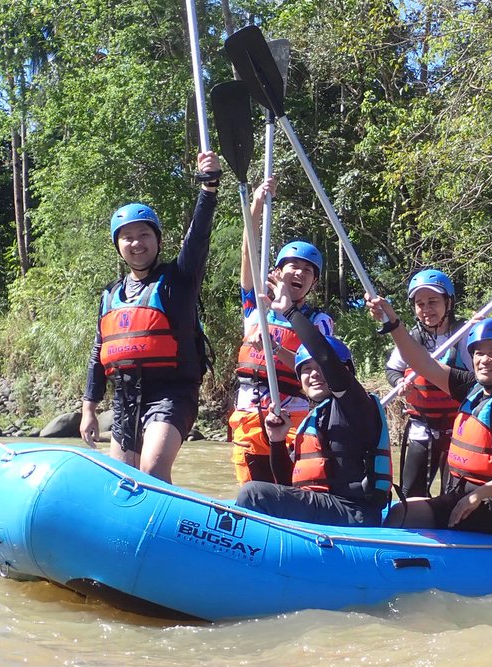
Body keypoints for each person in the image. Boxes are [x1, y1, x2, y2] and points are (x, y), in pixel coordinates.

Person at [79, 151, 222, 482]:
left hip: (171, 392)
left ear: (157, 240)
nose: (136, 242)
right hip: (125, 399)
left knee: (153, 470)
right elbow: (97, 356)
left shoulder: (178, 280)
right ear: (118, 247)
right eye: (127, 237)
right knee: (122, 482)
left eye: (144, 234)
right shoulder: (109, 296)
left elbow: (198, 239)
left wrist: (209, 189)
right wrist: (88, 409)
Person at [368, 294, 492, 536]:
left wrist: (480, 494)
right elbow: (423, 363)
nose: (484, 360)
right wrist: (393, 322)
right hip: (463, 497)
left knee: (402, 514)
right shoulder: (472, 387)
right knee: (400, 509)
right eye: (478, 353)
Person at [234, 275, 392, 526]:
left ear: (345, 372)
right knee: (262, 488)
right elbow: (290, 485)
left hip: (352, 512)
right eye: (305, 369)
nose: (313, 374)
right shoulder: (313, 418)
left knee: (253, 494)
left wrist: (290, 311)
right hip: (323, 509)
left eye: (320, 368)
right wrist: (276, 441)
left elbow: (327, 358)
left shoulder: (353, 404)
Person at [228, 178, 335, 484]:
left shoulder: (318, 321)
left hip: (293, 416)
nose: (300, 272)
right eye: (293, 266)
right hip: (250, 412)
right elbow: (249, 253)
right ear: (276, 272)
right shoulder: (255, 307)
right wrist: (257, 204)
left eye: (308, 270)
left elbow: (319, 370)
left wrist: (274, 350)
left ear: (313, 282)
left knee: (289, 486)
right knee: (251, 490)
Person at [385, 269, 468, 497]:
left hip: (457, 429)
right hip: (422, 428)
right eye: (420, 304)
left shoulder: (464, 336)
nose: (426, 309)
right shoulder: (411, 339)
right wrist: (399, 381)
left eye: (433, 301)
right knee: (411, 495)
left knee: (453, 496)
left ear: (448, 302)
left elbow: (476, 380)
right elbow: (393, 368)